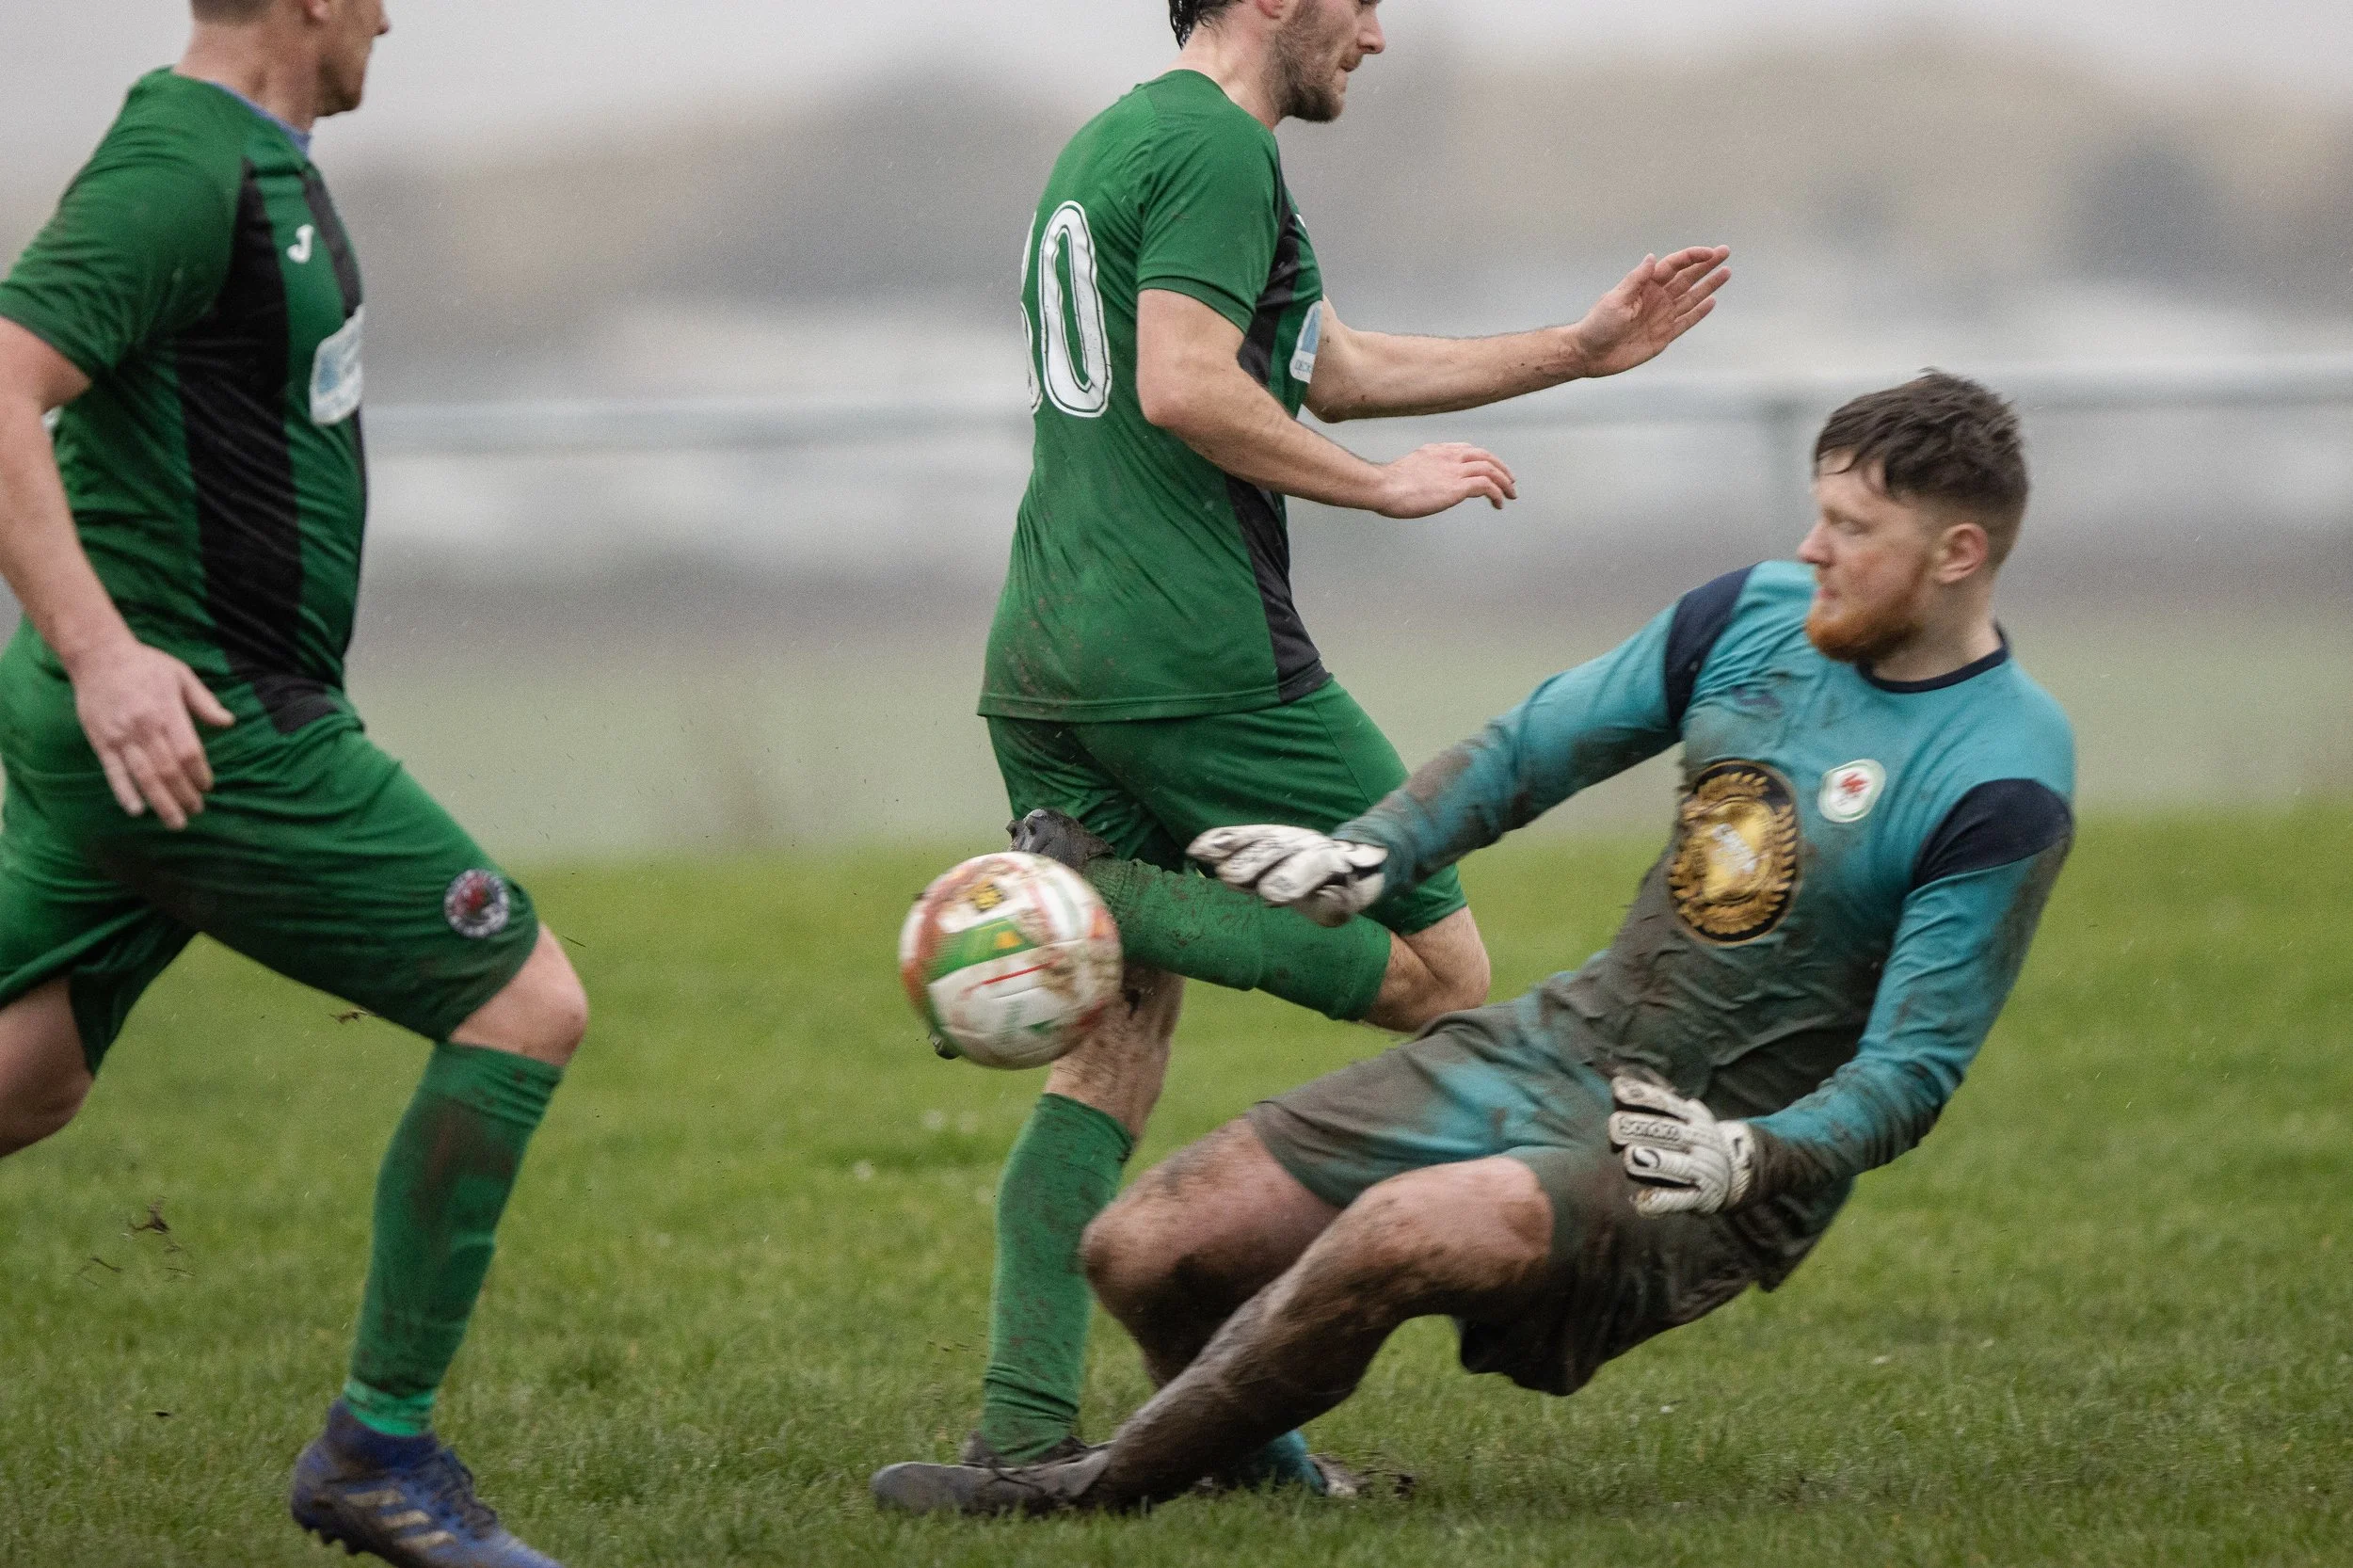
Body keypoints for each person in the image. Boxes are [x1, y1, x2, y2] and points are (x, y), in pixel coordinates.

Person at [872, 371, 2077, 1515]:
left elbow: (1911, 1071)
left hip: (1693, 1153)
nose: (1812, 548)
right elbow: (1526, 753)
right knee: (1144, 1249)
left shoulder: (2000, 773)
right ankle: (1281, 1493)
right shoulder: (1751, 616)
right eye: (1816, 514)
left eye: (1852, 527)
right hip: (1557, 1047)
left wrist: (1746, 1159)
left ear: (1956, 553)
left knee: (1393, 1235)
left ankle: (1086, 1496)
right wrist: (1369, 854)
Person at [943, 0, 1730, 1488]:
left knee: (1112, 1043)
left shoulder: (1123, 139)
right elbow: (1187, 384)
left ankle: (1035, 1431)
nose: (1376, 29)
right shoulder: (1218, 151)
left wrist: (1575, 349)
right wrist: (1380, 495)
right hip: (1194, 656)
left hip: (1048, 652)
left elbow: (1331, 362)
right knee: (1444, 974)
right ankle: (1105, 895)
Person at [0, 5, 584, 1564]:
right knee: (523, 1002)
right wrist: (108, 653)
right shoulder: (184, 167)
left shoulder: (266, 160)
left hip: (155, 720)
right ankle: (377, 1450)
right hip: (202, 728)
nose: (394, 12)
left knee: (28, 1075)